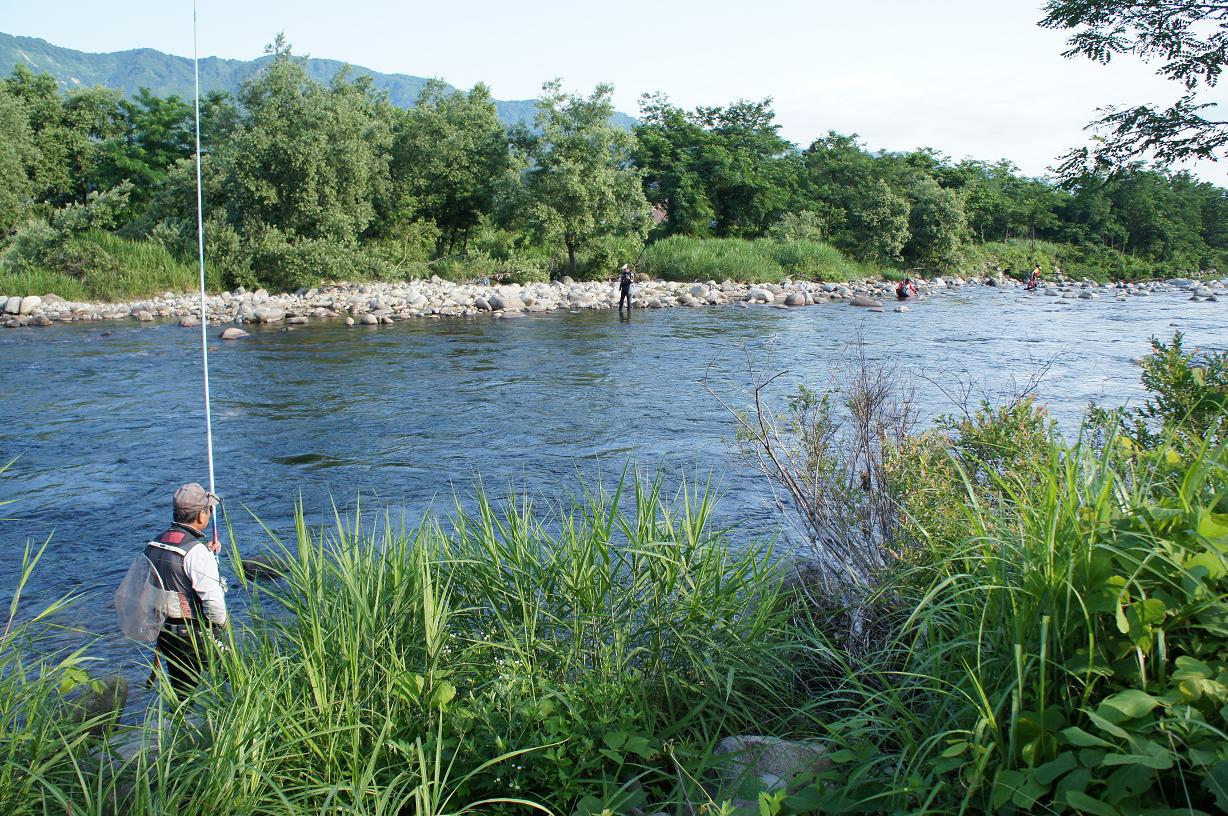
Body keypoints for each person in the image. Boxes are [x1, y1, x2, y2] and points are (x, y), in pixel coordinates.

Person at [145, 483, 227, 695]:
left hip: (165, 634)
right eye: (209, 510)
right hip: (196, 634)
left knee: (183, 693)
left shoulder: (154, 545)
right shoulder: (197, 553)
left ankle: (181, 715)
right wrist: (221, 626)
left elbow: (172, 569)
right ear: (201, 515)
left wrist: (205, 551)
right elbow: (214, 605)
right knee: (237, 677)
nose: (210, 514)